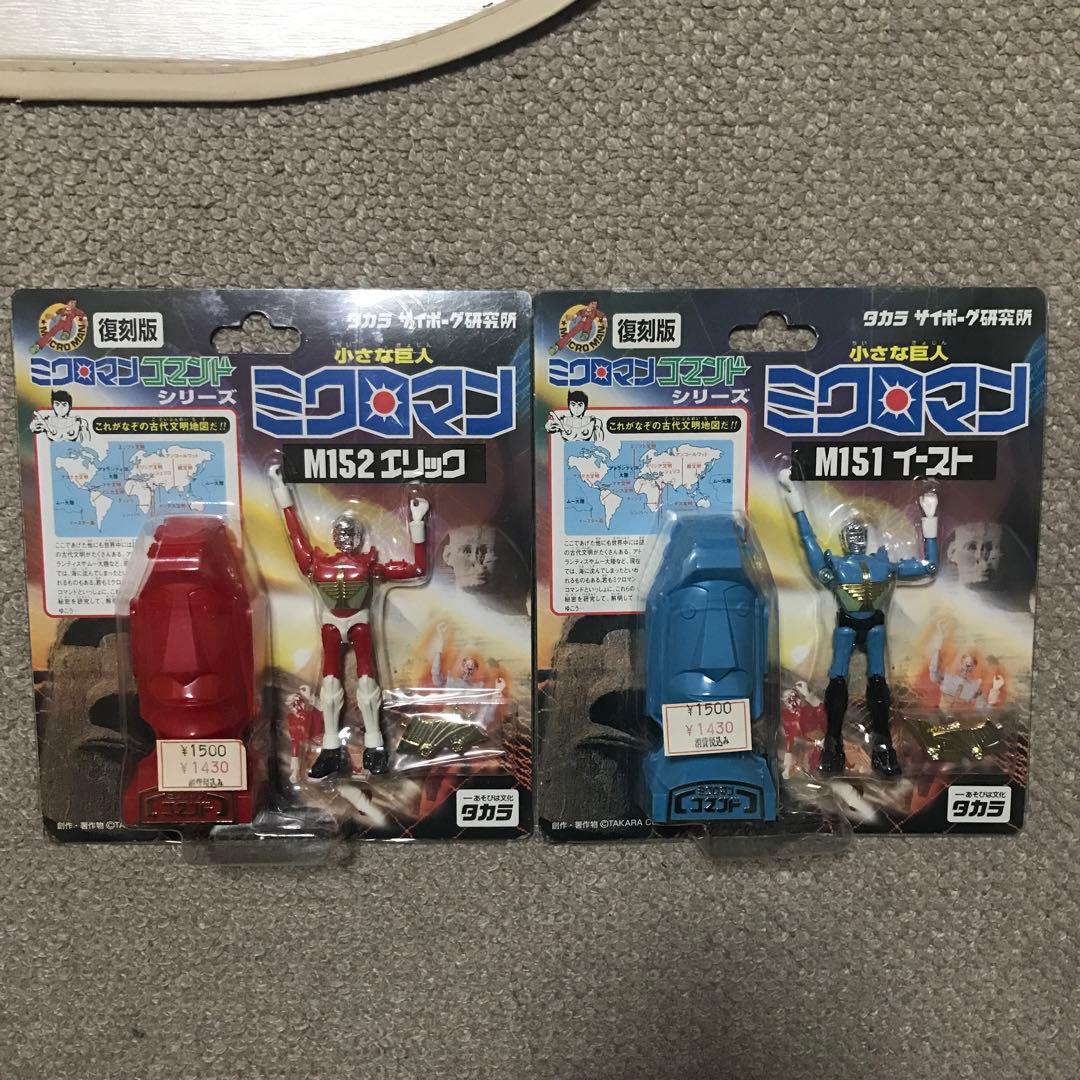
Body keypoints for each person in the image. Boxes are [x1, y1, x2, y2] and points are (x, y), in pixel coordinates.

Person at [269, 464, 429, 778]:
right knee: (330, 684)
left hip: (359, 622)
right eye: (341, 532)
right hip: (331, 623)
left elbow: (417, 569)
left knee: (367, 683)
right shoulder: (318, 564)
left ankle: (375, 747)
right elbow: (295, 536)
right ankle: (331, 749)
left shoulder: (368, 566)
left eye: (350, 532)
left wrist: (417, 522)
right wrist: (281, 492)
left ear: (359, 537)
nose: (345, 537)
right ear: (333, 535)